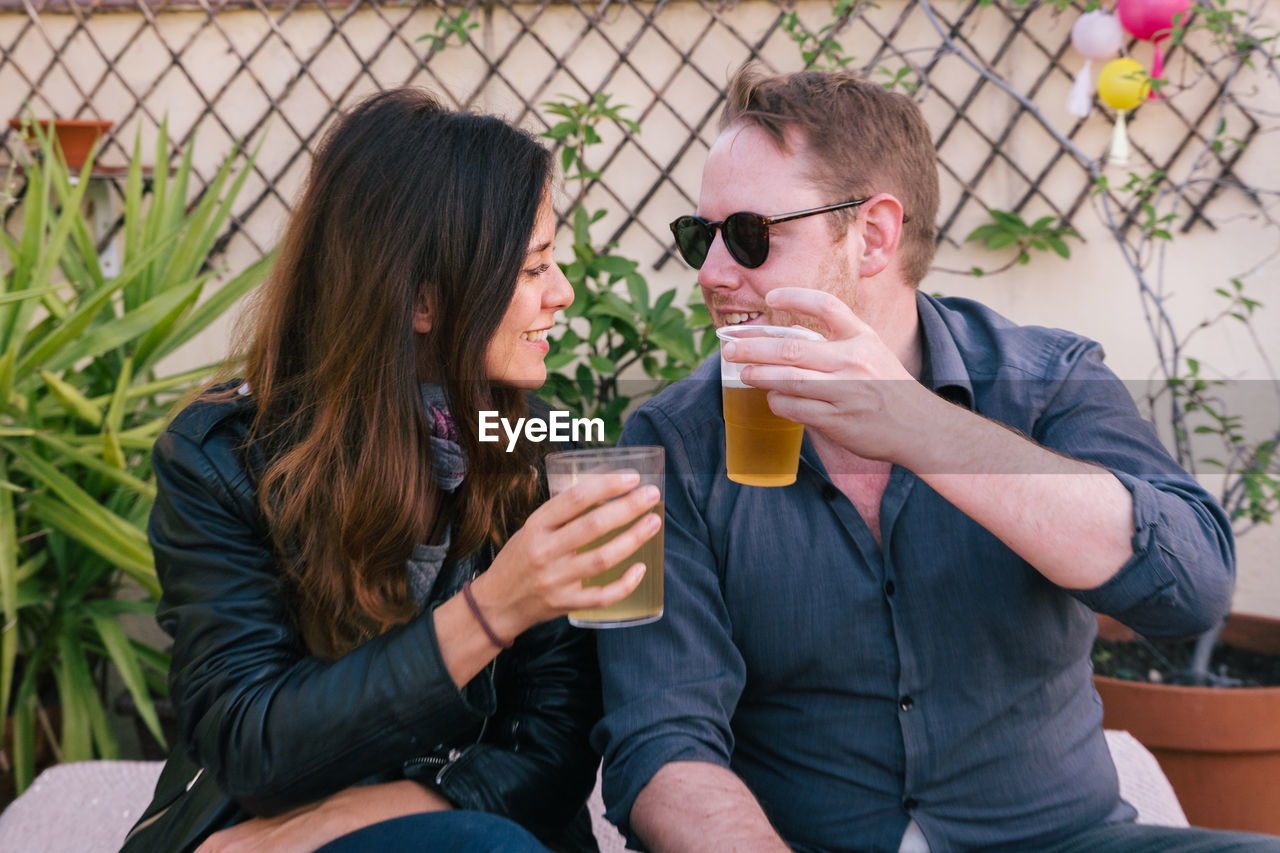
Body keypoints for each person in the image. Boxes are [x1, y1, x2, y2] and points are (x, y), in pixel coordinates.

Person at [592, 65, 1280, 853]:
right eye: (698, 236)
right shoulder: (670, 438)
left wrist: (925, 427)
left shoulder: (1046, 380)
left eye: (749, 234)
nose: (713, 273)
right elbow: (661, 742)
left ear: (875, 234)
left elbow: (1192, 586)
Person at [121, 87, 663, 853]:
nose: (562, 292)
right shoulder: (222, 460)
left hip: (470, 832)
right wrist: (493, 609)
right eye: (534, 266)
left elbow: (550, 750)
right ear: (421, 301)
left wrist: (358, 813)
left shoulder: (536, 451)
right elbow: (249, 740)